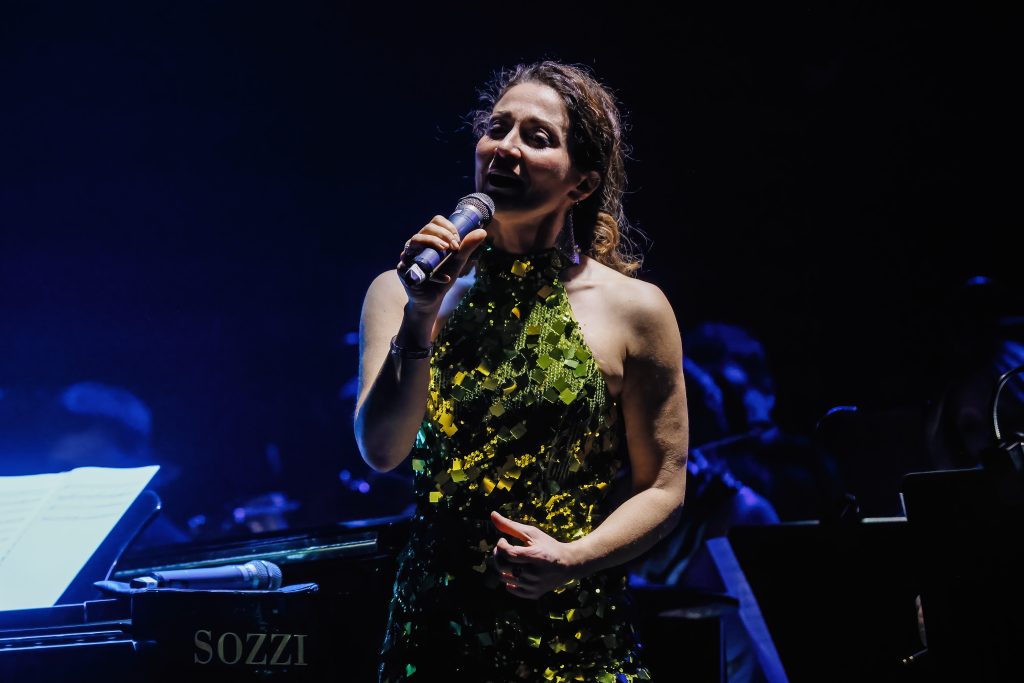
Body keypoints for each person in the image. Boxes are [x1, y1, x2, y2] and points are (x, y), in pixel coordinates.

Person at [354, 61, 688, 682]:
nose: (505, 147)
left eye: (536, 137)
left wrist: (576, 558)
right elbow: (382, 450)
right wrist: (420, 314)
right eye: (496, 128)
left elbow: (664, 488)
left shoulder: (636, 310)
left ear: (581, 184)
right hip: (436, 630)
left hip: (575, 631)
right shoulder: (399, 292)